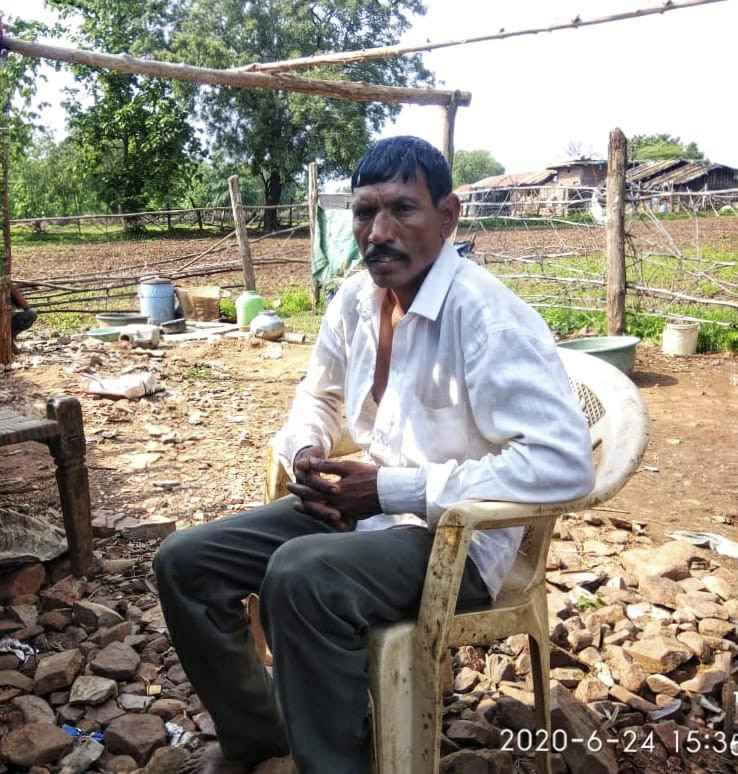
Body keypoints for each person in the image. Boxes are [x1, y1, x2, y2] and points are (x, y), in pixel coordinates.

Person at [154, 136, 594, 774]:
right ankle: (264, 744)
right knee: (186, 562)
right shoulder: (358, 300)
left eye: (402, 210)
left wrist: (391, 491)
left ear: (448, 217)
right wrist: (305, 448)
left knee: (302, 576)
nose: (379, 232)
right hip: (364, 512)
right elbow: (319, 393)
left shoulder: (487, 317)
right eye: (364, 212)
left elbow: (563, 464)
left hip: (457, 541)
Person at [10, 284, 37, 353]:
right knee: (31, 314)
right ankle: (10, 339)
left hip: (7, 322)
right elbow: (25, 306)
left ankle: (10, 339)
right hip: (7, 323)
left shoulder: (8, 286)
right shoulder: (8, 286)